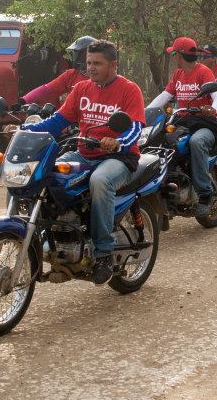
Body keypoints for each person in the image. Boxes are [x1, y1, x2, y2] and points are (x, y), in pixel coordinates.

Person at [8, 40, 145, 285]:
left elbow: (135, 129)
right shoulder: (81, 88)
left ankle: (103, 253)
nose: (91, 68)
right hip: (83, 154)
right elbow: (57, 121)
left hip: (119, 157)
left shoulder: (129, 89)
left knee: (100, 181)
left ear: (113, 65)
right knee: (42, 174)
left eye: (97, 63)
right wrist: (24, 129)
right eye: (88, 63)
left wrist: (118, 142)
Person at [146, 36, 217, 217]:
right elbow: (165, 96)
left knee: (197, 142)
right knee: (161, 142)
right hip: (182, 122)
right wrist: (143, 113)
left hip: (205, 123)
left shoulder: (203, 72)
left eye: (173, 54)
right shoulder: (178, 74)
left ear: (179, 55)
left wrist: (212, 109)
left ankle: (205, 194)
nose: (172, 58)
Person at [20, 35, 96, 106]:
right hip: (71, 115)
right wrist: (25, 100)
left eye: (79, 53)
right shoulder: (71, 74)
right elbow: (47, 89)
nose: (76, 56)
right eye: (75, 53)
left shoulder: (102, 76)